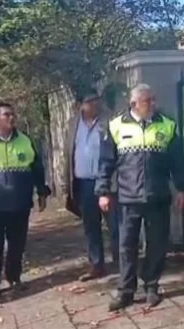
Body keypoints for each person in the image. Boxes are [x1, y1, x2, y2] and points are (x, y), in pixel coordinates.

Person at [97, 84, 184, 311]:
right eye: (147, 101)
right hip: (127, 197)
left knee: (157, 243)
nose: (153, 104)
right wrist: (103, 192)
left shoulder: (167, 126)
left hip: (157, 195)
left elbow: (178, 162)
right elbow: (106, 163)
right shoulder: (116, 126)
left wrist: (183, 189)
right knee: (126, 245)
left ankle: (151, 286)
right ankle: (126, 290)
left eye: (153, 99)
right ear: (134, 104)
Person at [0, 102, 51, 300]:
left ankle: (14, 277)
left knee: (17, 244)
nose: (11, 118)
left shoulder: (25, 141)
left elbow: (37, 169)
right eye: (6, 115)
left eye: (13, 114)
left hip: (19, 203)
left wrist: (42, 193)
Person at [64, 89, 119, 281]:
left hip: (108, 182)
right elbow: (69, 154)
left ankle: (122, 263)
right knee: (91, 226)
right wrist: (67, 183)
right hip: (84, 183)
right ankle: (97, 265)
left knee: (116, 225)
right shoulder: (73, 124)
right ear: (80, 105)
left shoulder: (110, 121)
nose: (95, 104)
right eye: (90, 101)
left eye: (96, 100)